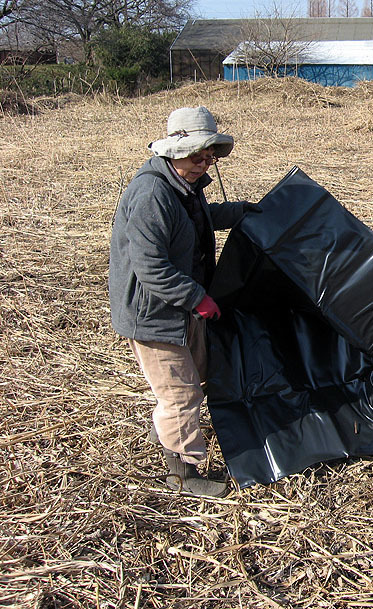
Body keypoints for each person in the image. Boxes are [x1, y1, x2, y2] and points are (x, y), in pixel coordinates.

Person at [109, 106, 261, 496]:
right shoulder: (150, 194)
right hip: (155, 315)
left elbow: (201, 218)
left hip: (182, 309)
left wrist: (242, 212)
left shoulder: (183, 187)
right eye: (198, 156)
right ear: (174, 150)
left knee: (193, 382)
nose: (204, 164)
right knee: (181, 394)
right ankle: (185, 474)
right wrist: (197, 298)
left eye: (210, 156)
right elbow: (150, 266)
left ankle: (172, 439)